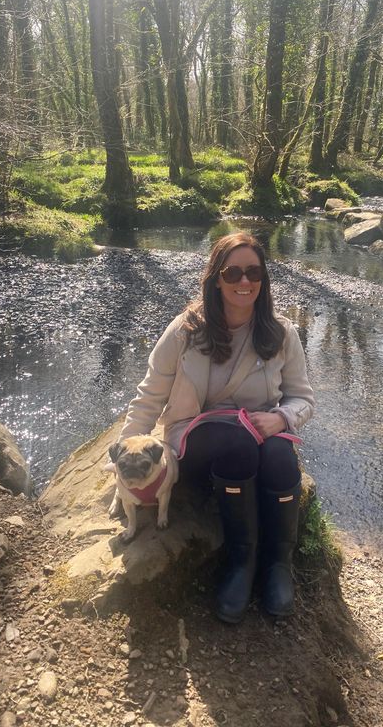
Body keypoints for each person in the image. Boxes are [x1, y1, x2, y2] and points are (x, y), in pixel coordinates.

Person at [117, 232, 314, 623]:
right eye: (234, 272)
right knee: (240, 444)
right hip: (195, 438)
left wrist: (282, 418)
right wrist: (124, 456)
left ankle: (277, 563)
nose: (245, 282)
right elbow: (150, 395)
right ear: (216, 278)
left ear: (263, 278)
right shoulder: (185, 330)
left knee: (279, 456)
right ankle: (242, 560)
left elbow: (303, 399)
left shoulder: (281, 333)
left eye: (254, 272)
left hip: (259, 433)